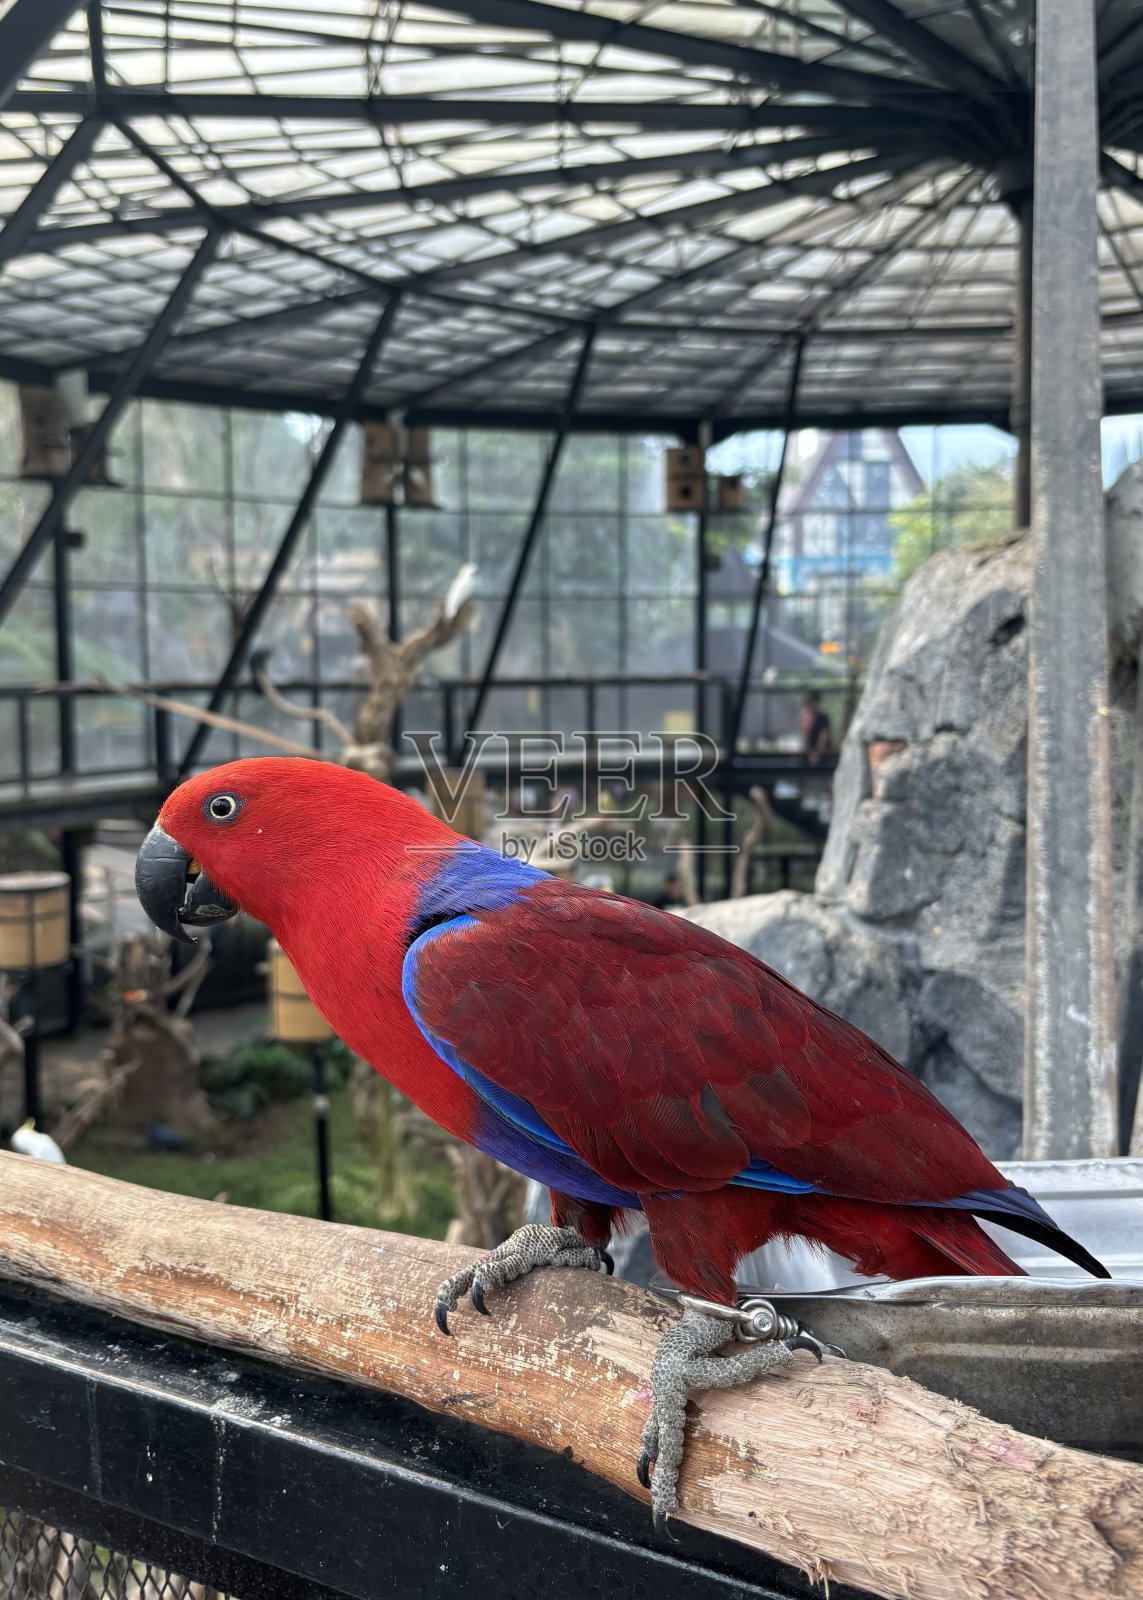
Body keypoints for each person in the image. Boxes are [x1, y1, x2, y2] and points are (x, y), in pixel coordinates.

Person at [799, 691, 832, 765]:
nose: (809, 705)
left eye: (811, 702)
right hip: (810, 754)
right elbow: (805, 735)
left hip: (822, 756)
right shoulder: (808, 717)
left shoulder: (823, 717)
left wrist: (816, 753)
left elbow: (823, 737)